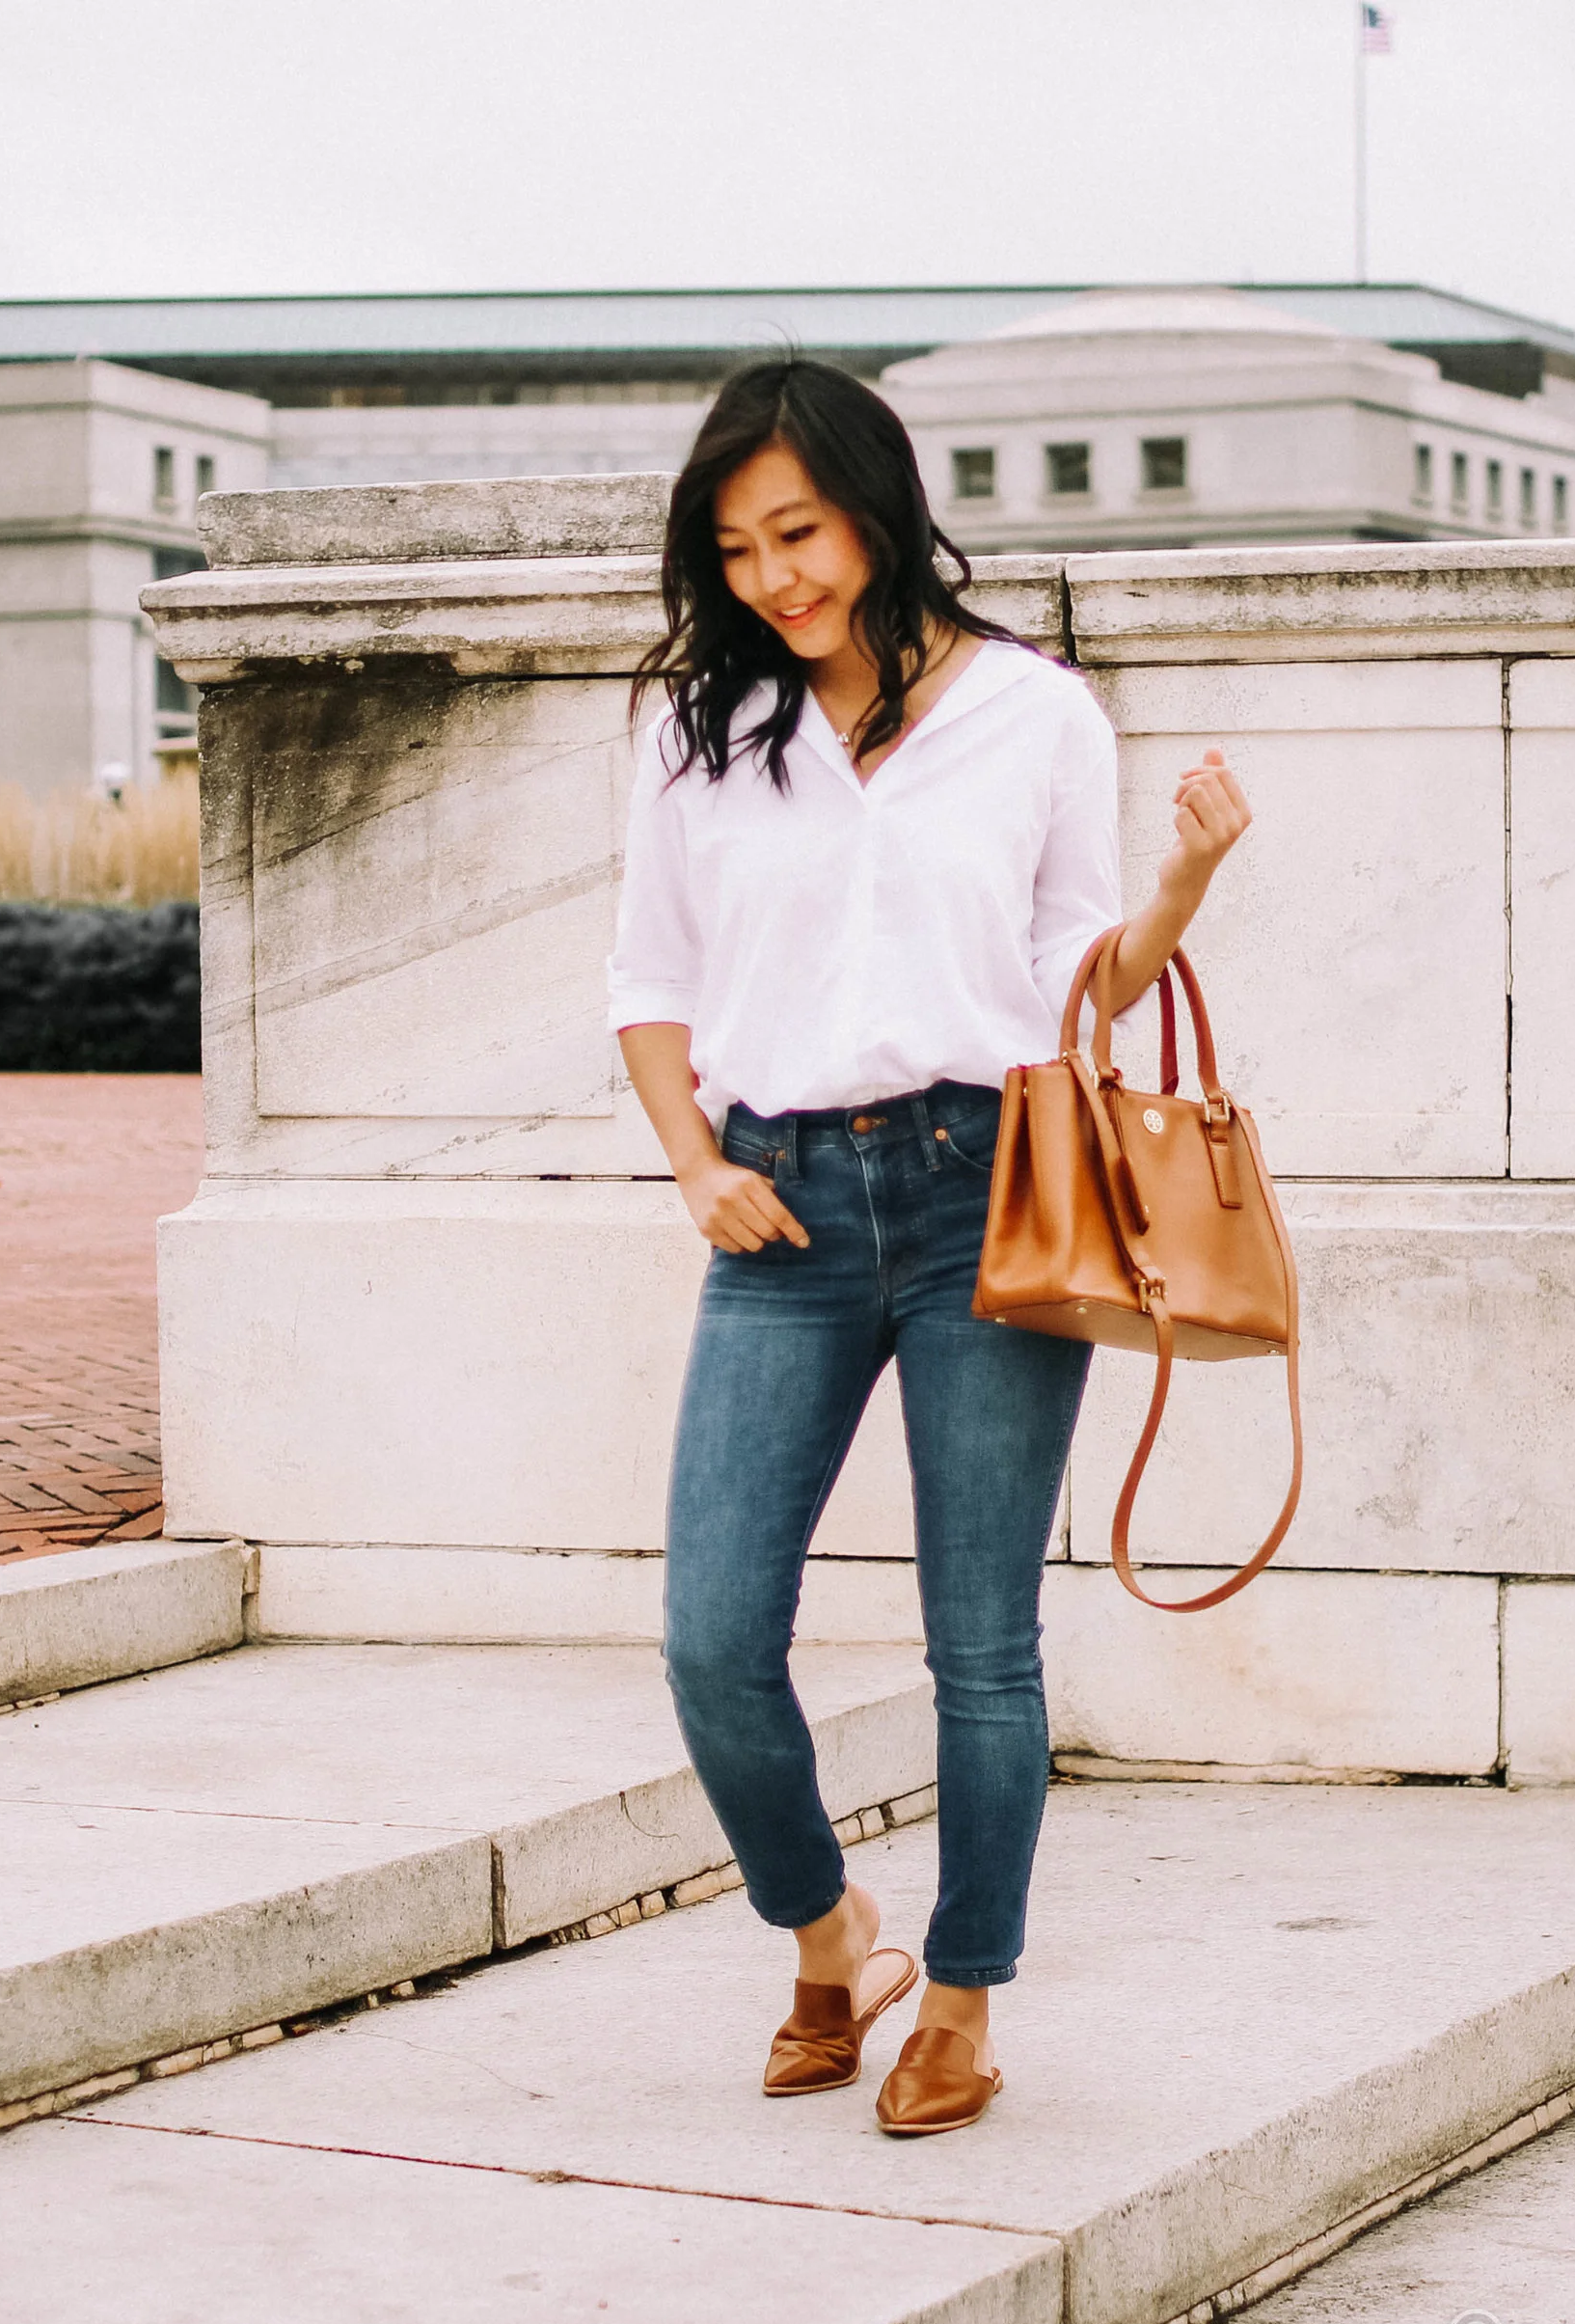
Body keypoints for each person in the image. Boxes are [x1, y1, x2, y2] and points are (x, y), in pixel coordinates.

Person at [609, 357, 1250, 2136]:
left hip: (990, 1189)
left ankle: (960, 1996)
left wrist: (1183, 889)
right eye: (737, 549)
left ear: (877, 514)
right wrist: (693, 1166)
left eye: (799, 534)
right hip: (780, 1201)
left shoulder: (1036, 715)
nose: (773, 579)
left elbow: (1074, 980)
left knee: (982, 1644)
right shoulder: (698, 730)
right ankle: (831, 1934)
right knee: (712, 1637)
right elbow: (650, 979)